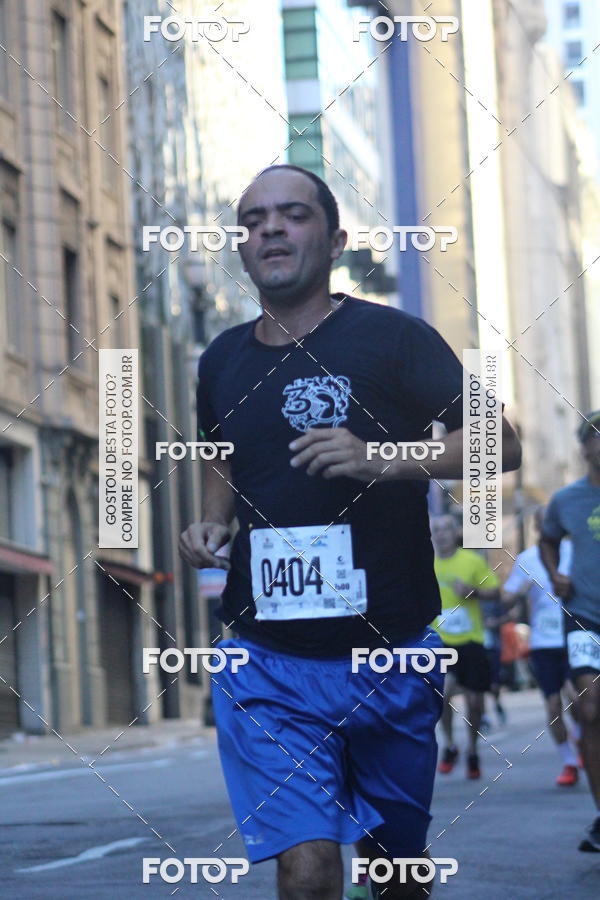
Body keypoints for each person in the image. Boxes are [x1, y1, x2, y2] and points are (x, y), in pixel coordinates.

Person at [179, 163, 521, 899]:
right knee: (306, 869)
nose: (269, 227)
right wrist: (210, 519)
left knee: (395, 871)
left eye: (292, 214)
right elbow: (218, 454)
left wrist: (382, 458)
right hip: (266, 656)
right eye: (253, 219)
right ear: (242, 246)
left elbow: (503, 443)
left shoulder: (394, 338)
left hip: (389, 650)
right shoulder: (220, 359)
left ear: (334, 239)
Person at [540, 411, 600, 852]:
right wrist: (555, 574)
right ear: (584, 448)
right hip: (585, 616)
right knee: (589, 709)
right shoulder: (566, 499)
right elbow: (547, 538)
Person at [502, 506, 580, 786]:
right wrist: (512, 595)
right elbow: (508, 596)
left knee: (578, 698)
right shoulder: (527, 559)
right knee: (552, 706)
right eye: (541, 524)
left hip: (574, 637)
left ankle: (582, 743)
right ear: (536, 528)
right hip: (543, 643)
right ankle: (569, 762)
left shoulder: (576, 550)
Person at [430, 516, 502, 780]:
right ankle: (449, 745)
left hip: (471, 639)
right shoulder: (426, 563)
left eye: (445, 529)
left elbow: (495, 592)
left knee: (474, 700)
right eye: (436, 530)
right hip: (440, 640)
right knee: (442, 695)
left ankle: (472, 749)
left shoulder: (471, 561)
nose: (441, 535)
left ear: (454, 532)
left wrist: (473, 591)